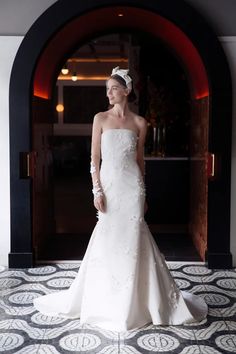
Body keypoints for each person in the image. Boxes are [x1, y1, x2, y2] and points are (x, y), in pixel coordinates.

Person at [34, 66, 207, 332]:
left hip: (132, 188)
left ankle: (138, 300)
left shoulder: (140, 123)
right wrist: (97, 190)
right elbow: (94, 158)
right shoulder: (100, 118)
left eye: (113, 88)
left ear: (126, 90)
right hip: (110, 186)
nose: (109, 93)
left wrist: (144, 192)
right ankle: (108, 299)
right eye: (107, 89)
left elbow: (140, 161)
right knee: (109, 236)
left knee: (135, 237)